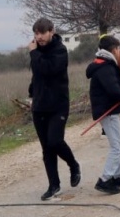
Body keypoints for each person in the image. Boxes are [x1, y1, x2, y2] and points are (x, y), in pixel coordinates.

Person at [28, 18, 81, 200]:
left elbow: (48, 69)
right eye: (36, 33)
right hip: (40, 107)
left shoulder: (60, 50)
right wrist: (32, 92)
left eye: (42, 32)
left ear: (52, 31)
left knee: (55, 141)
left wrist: (34, 54)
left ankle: (73, 165)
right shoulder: (37, 51)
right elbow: (37, 75)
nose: (39, 37)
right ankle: (54, 185)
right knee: (46, 149)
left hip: (58, 105)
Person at [86, 35, 120, 195]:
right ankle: (104, 180)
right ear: (114, 50)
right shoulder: (105, 67)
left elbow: (115, 87)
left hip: (108, 110)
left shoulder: (105, 64)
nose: (119, 52)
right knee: (118, 147)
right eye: (118, 49)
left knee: (119, 144)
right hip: (106, 112)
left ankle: (117, 176)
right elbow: (114, 91)